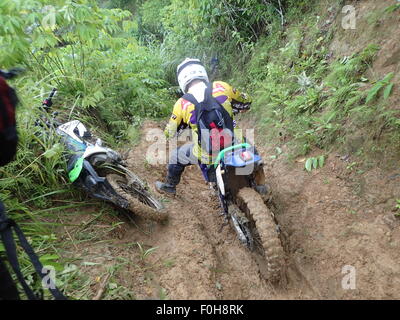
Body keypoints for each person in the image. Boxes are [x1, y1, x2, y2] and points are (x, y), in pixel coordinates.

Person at [155, 58, 267, 196]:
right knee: (250, 148)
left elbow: (170, 133)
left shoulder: (182, 104)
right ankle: (261, 185)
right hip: (235, 146)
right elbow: (246, 102)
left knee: (176, 156)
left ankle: (169, 186)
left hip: (208, 157)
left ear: (182, 81)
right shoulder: (221, 87)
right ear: (202, 73)